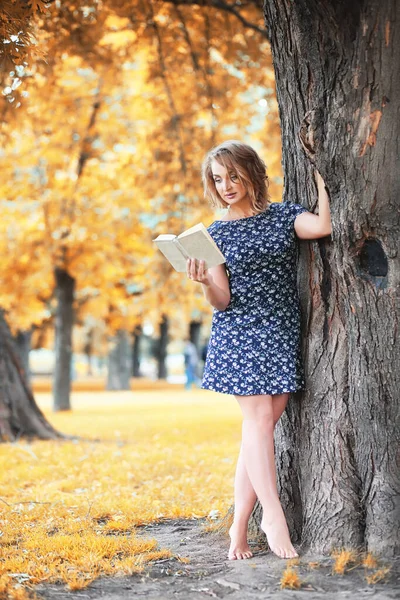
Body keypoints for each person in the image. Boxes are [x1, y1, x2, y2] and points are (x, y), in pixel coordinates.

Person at [185, 140, 331, 560]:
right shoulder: (213, 235)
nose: (226, 185)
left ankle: (238, 526)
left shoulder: (283, 214)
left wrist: (322, 175)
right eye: (217, 179)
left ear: (251, 172)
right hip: (240, 332)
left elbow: (322, 227)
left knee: (259, 431)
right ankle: (273, 516)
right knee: (259, 422)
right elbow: (221, 301)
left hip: (282, 328)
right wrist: (205, 283)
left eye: (233, 175)